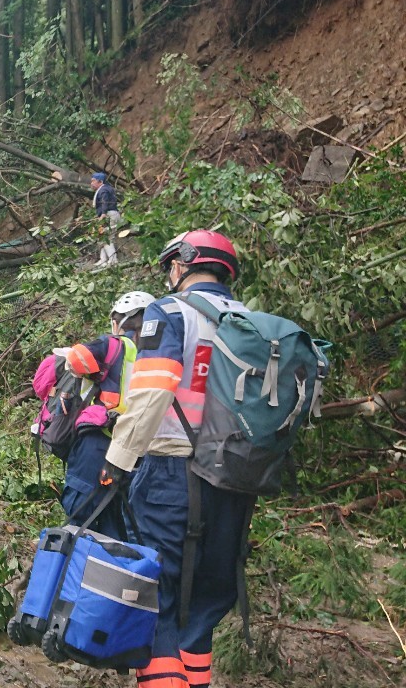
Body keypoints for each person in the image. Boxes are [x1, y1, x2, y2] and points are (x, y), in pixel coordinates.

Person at [99, 230, 249, 688]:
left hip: (171, 474)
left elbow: (152, 393)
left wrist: (117, 461)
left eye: (171, 266)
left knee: (155, 596)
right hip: (236, 479)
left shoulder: (169, 311)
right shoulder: (251, 321)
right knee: (204, 598)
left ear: (182, 265)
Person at [58, 290, 154, 538]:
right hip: (136, 452)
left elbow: (77, 359)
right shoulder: (161, 355)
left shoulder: (113, 344)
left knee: (80, 518)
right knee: (119, 526)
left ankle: (73, 571)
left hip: (99, 442)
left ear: (119, 321)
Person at [91, 172, 122, 266]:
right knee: (102, 237)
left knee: (107, 238)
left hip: (109, 215)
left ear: (100, 181)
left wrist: (103, 215)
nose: (91, 183)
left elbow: (105, 202)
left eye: (93, 181)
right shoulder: (106, 189)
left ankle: (113, 259)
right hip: (109, 214)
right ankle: (103, 259)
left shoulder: (104, 190)